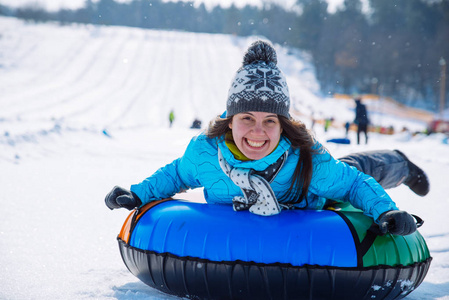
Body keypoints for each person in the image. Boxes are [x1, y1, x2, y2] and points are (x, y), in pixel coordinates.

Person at [105, 41, 429, 236]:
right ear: (230, 121)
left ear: (282, 125)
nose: (257, 132)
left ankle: (400, 163)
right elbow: (177, 174)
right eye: (247, 118)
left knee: (358, 170)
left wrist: (386, 212)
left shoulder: (307, 160)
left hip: (319, 197)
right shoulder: (205, 153)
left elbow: (353, 185)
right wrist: (138, 194)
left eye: (269, 121)